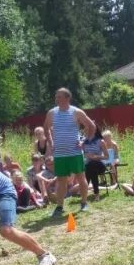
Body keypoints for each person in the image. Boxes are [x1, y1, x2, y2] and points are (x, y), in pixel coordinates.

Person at [44, 88, 96, 216]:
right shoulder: (52, 113)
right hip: (60, 153)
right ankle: (60, 207)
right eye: (56, 97)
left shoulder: (76, 112)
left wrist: (83, 142)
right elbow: (46, 129)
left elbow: (91, 126)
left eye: (59, 97)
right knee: (61, 180)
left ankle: (84, 203)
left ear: (67, 98)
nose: (57, 99)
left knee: (80, 177)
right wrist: (51, 143)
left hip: (75, 152)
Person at [83, 127, 107, 201]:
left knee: (91, 165)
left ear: (94, 130)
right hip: (88, 166)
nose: (86, 130)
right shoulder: (84, 142)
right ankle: (96, 193)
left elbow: (106, 157)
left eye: (88, 129)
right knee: (90, 166)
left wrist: (95, 157)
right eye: (86, 129)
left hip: (100, 165)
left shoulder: (101, 141)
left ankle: (85, 192)